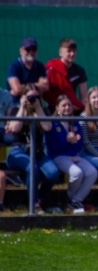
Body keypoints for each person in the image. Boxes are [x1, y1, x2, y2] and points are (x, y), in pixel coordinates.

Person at [5, 84, 60, 213]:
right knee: (32, 168)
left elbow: (47, 128)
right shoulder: (15, 110)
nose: (33, 99)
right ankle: (34, 204)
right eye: (30, 97)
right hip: (18, 150)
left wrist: (38, 108)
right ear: (23, 96)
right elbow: (15, 128)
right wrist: (23, 107)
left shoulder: (43, 111)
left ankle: (37, 199)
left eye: (36, 97)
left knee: (53, 173)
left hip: (37, 151)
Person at [45, 95, 98, 213]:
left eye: (69, 105)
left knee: (92, 172)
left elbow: (78, 146)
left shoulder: (75, 123)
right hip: (57, 156)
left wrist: (74, 142)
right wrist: (66, 141)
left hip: (74, 156)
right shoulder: (52, 123)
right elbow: (52, 147)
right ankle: (71, 200)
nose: (67, 108)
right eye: (64, 105)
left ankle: (75, 200)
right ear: (57, 107)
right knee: (77, 173)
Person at [43, 38, 87, 113]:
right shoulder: (52, 68)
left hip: (73, 109)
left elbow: (84, 97)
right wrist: (60, 107)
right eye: (69, 51)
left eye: (74, 51)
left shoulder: (80, 71)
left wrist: (82, 112)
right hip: (54, 109)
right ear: (60, 53)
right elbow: (46, 93)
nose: (72, 54)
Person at [6, 37, 49, 104]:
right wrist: (37, 86)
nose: (31, 52)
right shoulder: (13, 66)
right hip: (16, 104)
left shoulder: (40, 66)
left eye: (33, 49)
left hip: (35, 104)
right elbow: (17, 90)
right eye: (27, 49)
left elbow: (45, 87)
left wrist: (23, 87)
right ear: (21, 51)